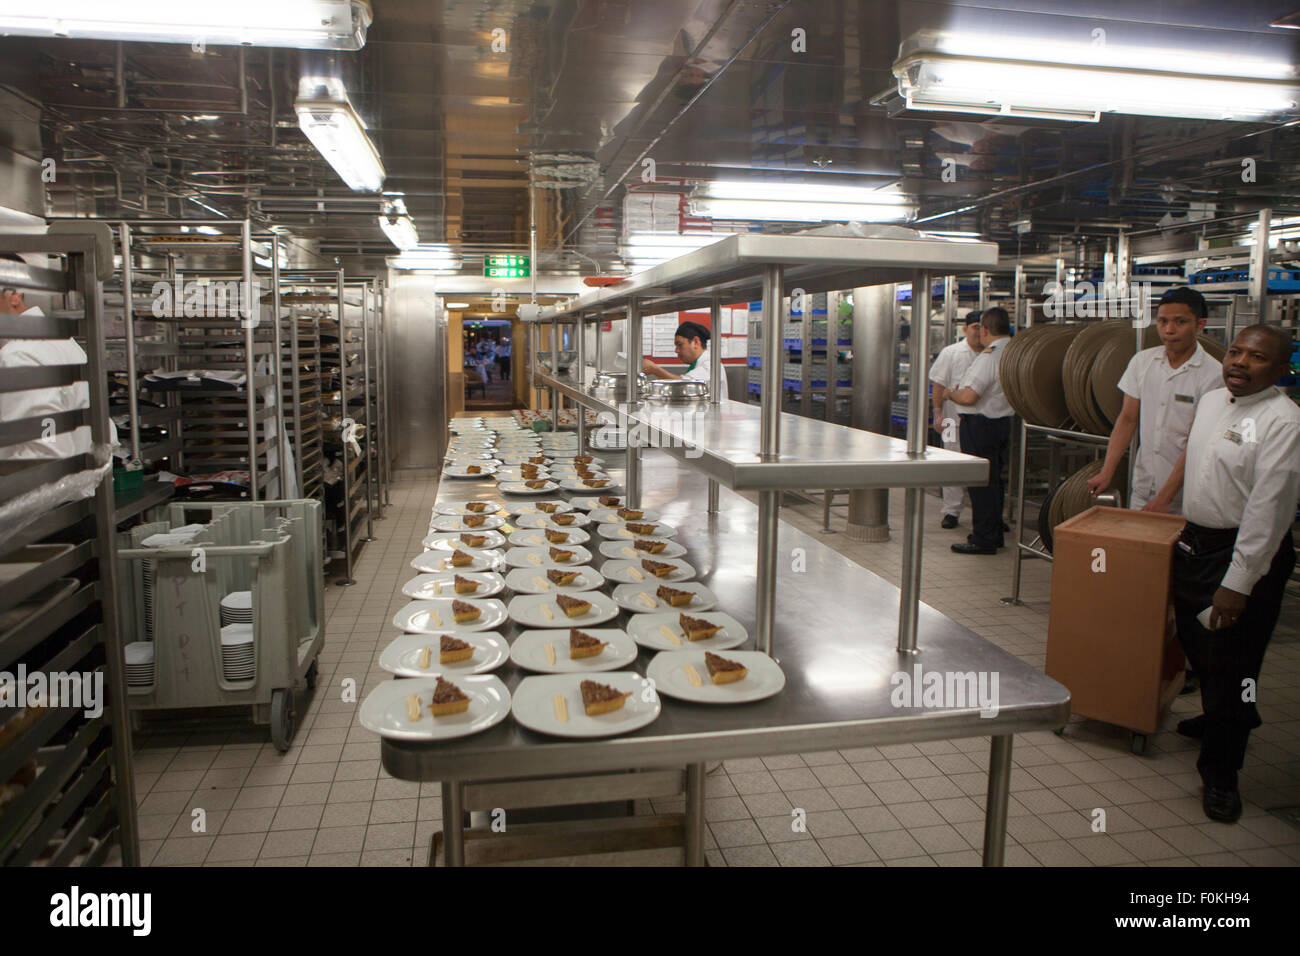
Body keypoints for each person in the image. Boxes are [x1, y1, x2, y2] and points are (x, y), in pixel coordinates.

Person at [1167, 324, 1298, 823]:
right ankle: (1223, 715)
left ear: (1281, 368)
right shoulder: (1212, 403)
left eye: (1257, 357)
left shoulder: (1283, 421)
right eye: (1236, 351)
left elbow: (1269, 511)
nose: (1240, 362)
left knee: (1237, 667)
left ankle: (1223, 774)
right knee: (1201, 648)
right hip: (1197, 543)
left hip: (1245, 553)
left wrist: (1237, 583)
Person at [1086, 287, 1222, 511]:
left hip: (1185, 494)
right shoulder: (1143, 362)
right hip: (1143, 485)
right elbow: (1128, 419)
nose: (1169, 330)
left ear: (1200, 325)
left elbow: (1198, 442)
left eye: (1180, 322)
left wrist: (1165, 498)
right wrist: (1107, 472)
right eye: (1162, 321)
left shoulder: (1213, 375)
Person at [0, 252, 98, 460]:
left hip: (45, 489)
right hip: (80, 483)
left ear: (14, 294)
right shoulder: (58, 340)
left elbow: (46, 450)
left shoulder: (21, 356)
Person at [947, 307, 1014, 554]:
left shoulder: (990, 356)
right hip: (1001, 424)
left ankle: (984, 538)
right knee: (994, 481)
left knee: (980, 484)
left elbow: (968, 397)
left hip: (981, 426)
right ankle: (993, 532)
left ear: (985, 329)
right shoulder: (1013, 351)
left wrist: (950, 394)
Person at [929, 311, 983, 529]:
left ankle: (983, 513)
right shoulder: (951, 353)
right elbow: (939, 385)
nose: (979, 332)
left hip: (980, 420)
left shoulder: (991, 353)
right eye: (975, 327)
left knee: (980, 465)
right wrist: (938, 413)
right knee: (951, 461)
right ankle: (951, 511)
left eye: (983, 327)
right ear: (965, 329)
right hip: (952, 419)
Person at [641, 320, 728, 400]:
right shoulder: (698, 363)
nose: (676, 350)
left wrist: (655, 370)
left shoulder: (709, 364)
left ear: (696, 342)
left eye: (680, 344)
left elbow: (684, 385)